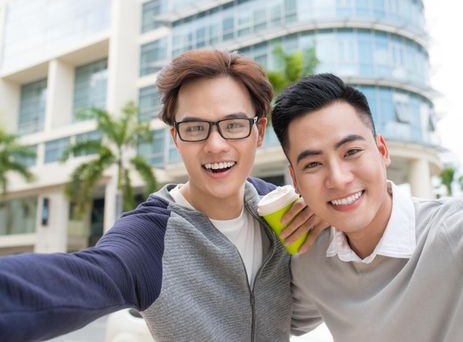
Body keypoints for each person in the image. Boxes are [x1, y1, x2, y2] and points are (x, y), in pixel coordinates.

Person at [0, 50, 324, 341]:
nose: (216, 145)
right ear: (176, 138)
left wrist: (318, 255)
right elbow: (78, 279)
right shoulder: (150, 238)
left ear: (259, 132)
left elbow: (298, 319)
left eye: (233, 124)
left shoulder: (281, 209)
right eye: (196, 128)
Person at [271, 73, 463, 342]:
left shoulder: (462, 235)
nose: (339, 179)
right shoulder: (313, 262)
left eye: (352, 152)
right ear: (295, 180)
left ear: (382, 151)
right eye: (313, 164)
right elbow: (261, 318)